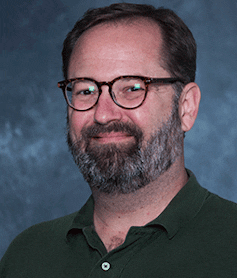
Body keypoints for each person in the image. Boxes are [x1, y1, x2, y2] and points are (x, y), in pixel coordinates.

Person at [1, 3, 237, 277]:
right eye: (85, 90)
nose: (103, 114)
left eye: (132, 88)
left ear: (186, 107)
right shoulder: (27, 256)